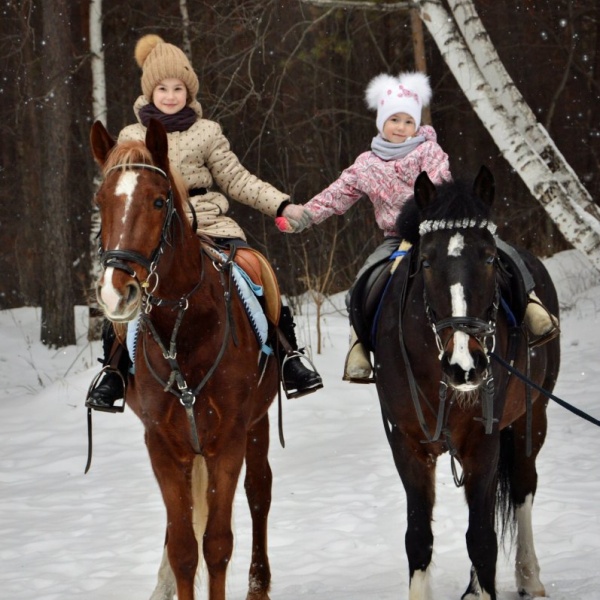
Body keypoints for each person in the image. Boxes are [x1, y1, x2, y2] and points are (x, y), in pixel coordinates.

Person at [86, 34, 322, 411]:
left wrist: (281, 205)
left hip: (209, 224)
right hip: (153, 231)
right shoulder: (132, 137)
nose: (169, 95)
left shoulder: (207, 132)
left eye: (177, 87)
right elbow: (123, 195)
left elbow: (236, 179)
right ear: (149, 92)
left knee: (256, 269)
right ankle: (114, 368)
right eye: (161, 88)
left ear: (189, 91)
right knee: (124, 282)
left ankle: (287, 352)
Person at [277, 71, 558, 382]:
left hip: (437, 230)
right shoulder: (364, 164)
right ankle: (359, 342)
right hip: (396, 239)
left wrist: (432, 216)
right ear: (381, 122)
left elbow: (440, 186)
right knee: (365, 279)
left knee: (498, 250)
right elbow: (337, 194)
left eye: (408, 121)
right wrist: (303, 215)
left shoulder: (428, 151)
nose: (401, 127)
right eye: (394, 120)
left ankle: (530, 303)